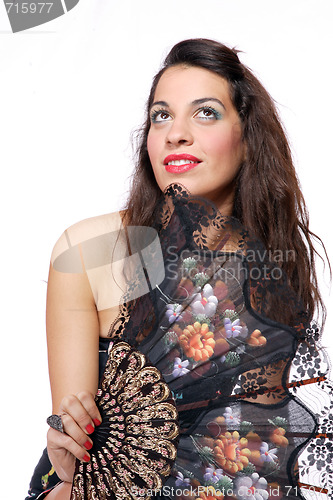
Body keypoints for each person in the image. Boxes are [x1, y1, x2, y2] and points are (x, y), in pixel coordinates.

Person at [26, 38, 332, 500]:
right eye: (161, 115)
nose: (175, 133)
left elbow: (259, 457)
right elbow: (74, 446)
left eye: (205, 112)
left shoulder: (270, 273)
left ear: (248, 139)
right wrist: (64, 446)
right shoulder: (90, 253)